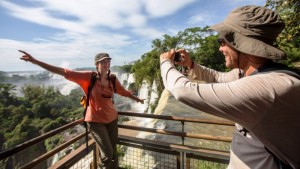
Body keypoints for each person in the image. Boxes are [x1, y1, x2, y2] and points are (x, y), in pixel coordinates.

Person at [160, 5, 300, 169]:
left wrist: (165, 62)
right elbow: (217, 77)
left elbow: (183, 91)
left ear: (240, 44)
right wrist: (190, 65)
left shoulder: (268, 87)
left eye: (222, 41)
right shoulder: (250, 74)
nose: (220, 48)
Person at [19, 50, 144, 169]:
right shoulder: (89, 77)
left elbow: (123, 92)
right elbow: (63, 71)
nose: (106, 64)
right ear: (97, 64)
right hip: (96, 122)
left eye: (108, 61)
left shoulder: (113, 79)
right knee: (107, 154)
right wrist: (35, 61)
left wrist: (137, 99)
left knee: (113, 151)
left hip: (112, 120)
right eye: (103, 62)